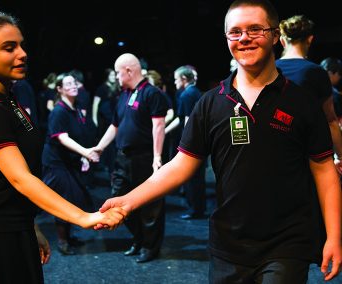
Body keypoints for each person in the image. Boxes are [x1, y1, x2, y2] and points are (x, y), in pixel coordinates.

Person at [97, 1, 342, 282]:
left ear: (276, 36)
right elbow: (181, 166)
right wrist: (128, 201)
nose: (245, 38)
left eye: (255, 29)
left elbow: (324, 171)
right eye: (235, 32)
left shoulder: (301, 102)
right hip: (229, 244)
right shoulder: (210, 104)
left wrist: (334, 236)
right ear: (227, 39)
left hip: (287, 242)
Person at [0, 11, 125, 284]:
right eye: (9, 48)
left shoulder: (6, 99)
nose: (22, 53)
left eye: (21, 45)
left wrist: (31, 227)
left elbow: (9, 180)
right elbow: (19, 178)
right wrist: (83, 217)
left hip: (12, 226)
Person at [94, 53, 168, 263]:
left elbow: (158, 126)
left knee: (149, 206)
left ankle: (150, 246)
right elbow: (115, 126)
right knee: (119, 201)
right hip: (122, 158)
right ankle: (138, 238)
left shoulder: (151, 93)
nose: (116, 77)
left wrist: (157, 156)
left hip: (144, 157)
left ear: (128, 70)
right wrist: (99, 147)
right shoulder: (125, 95)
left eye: (118, 72)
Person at [276, 15, 342, 173]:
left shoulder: (269, 70)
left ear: (282, 41)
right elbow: (330, 120)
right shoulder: (315, 72)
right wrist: (340, 155)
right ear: (310, 39)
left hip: (272, 150)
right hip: (305, 155)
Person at [41, 72, 98, 255]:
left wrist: (81, 156)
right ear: (59, 89)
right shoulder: (59, 111)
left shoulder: (76, 108)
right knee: (64, 200)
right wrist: (86, 153)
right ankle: (62, 241)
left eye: (74, 83)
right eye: (68, 84)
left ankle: (69, 236)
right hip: (56, 163)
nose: (73, 86)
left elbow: (79, 135)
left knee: (75, 198)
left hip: (68, 161)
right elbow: (63, 138)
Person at [165, 66, 206, 219]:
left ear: (183, 79)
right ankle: (198, 208)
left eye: (176, 79)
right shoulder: (195, 92)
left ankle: (195, 210)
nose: (174, 83)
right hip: (200, 140)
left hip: (192, 143)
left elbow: (188, 121)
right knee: (197, 177)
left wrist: (186, 143)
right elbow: (180, 117)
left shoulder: (187, 95)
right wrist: (165, 130)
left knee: (191, 177)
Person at [92, 68, 120, 173]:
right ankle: (106, 165)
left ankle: (113, 165)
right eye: (111, 75)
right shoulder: (102, 88)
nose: (113, 77)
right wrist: (95, 119)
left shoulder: (117, 87)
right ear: (107, 76)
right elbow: (95, 104)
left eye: (114, 75)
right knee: (107, 144)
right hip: (105, 120)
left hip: (113, 119)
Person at [320, 57, 342, 125]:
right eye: (339, 75)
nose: (339, 78)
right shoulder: (334, 94)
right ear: (331, 73)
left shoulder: (311, 87)